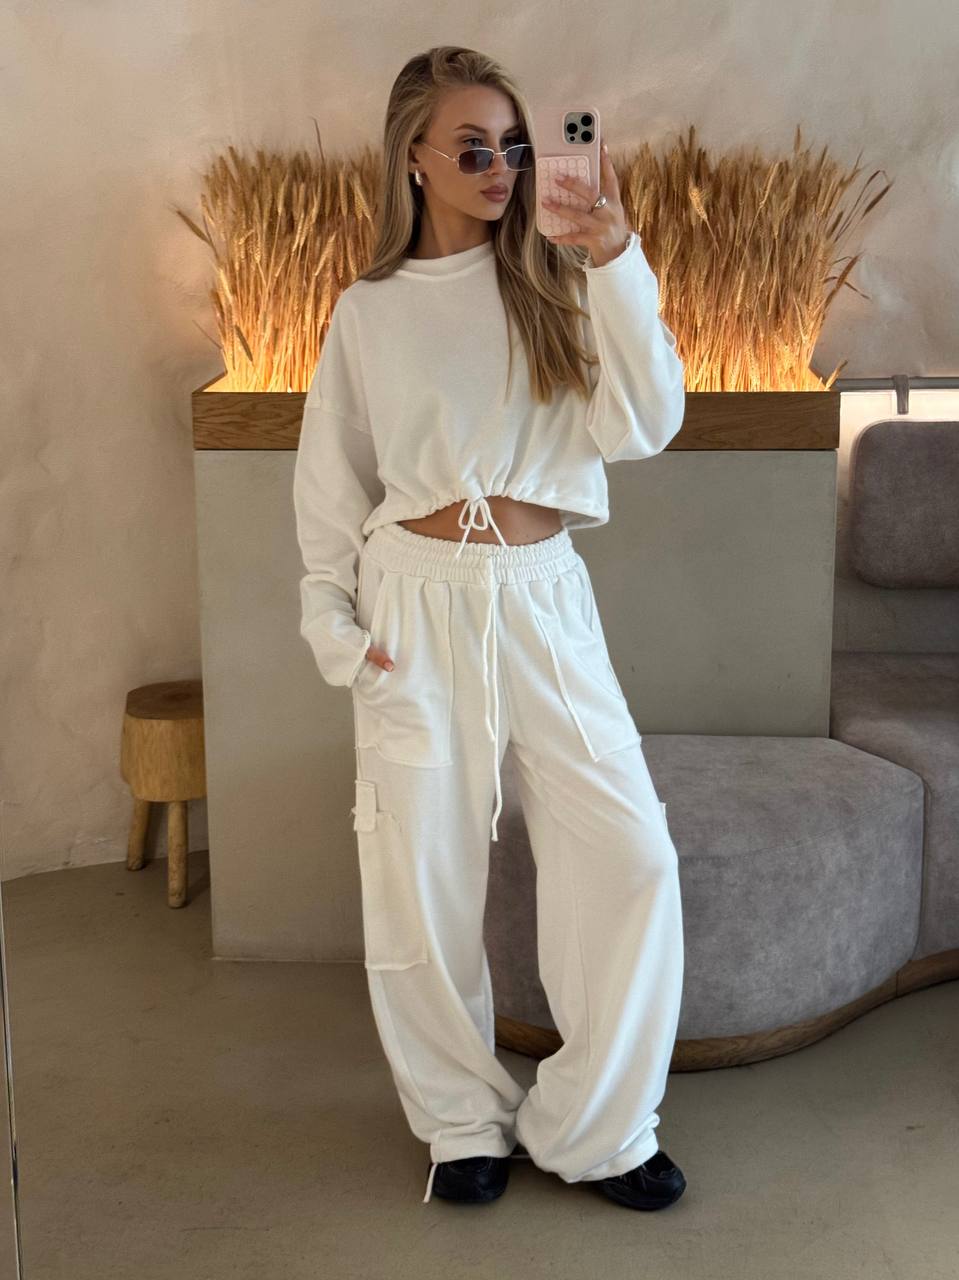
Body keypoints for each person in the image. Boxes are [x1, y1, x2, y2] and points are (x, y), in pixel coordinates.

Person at [293, 46, 687, 1211]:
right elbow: (329, 479)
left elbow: (647, 422)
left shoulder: (561, 282)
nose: (500, 166)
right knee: (418, 873)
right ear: (412, 157)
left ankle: (602, 1126)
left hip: (540, 593)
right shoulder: (367, 311)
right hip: (411, 598)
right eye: (471, 146)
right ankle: (459, 1120)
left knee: (628, 854)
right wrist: (332, 621)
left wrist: (612, 257)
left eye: (514, 144)